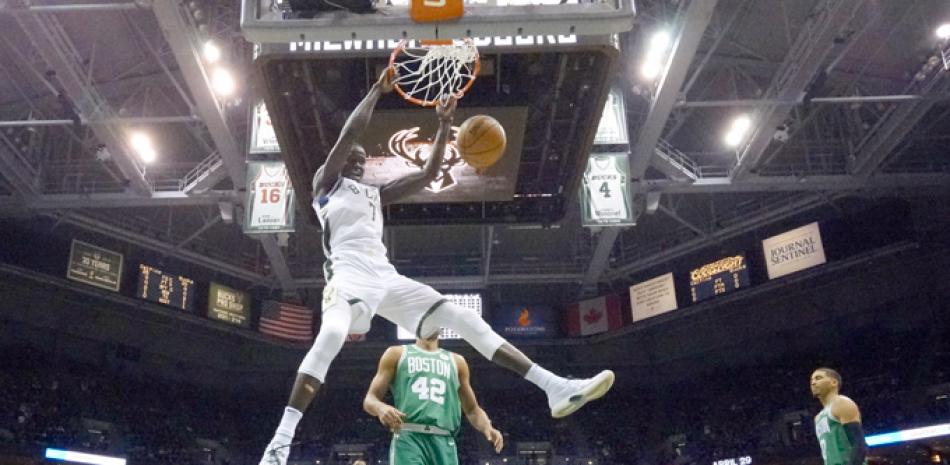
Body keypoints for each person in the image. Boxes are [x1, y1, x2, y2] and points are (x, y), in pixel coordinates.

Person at [259, 69, 614, 465]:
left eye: (361, 160)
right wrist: (377, 90)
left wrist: (445, 123)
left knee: (462, 317)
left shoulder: (376, 193)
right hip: (347, 279)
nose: (357, 161)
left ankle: (553, 386)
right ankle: (280, 442)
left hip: (386, 279)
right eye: (351, 159)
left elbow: (428, 174)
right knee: (332, 335)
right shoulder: (326, 186)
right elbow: (348, 135)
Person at [363, 333, 505, 465]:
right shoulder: (396, 354)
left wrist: (488, 427)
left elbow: (472, 409)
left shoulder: (457, 361)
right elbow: (370, 399)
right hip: (409, 437)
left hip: (444, 439)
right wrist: (380, 408)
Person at [810, 368, 868, 465]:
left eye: (818, 378)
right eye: (811, 380)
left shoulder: (841, 403)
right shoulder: (818, 418)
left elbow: (860, 445)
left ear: (834, 382)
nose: (813, 383)